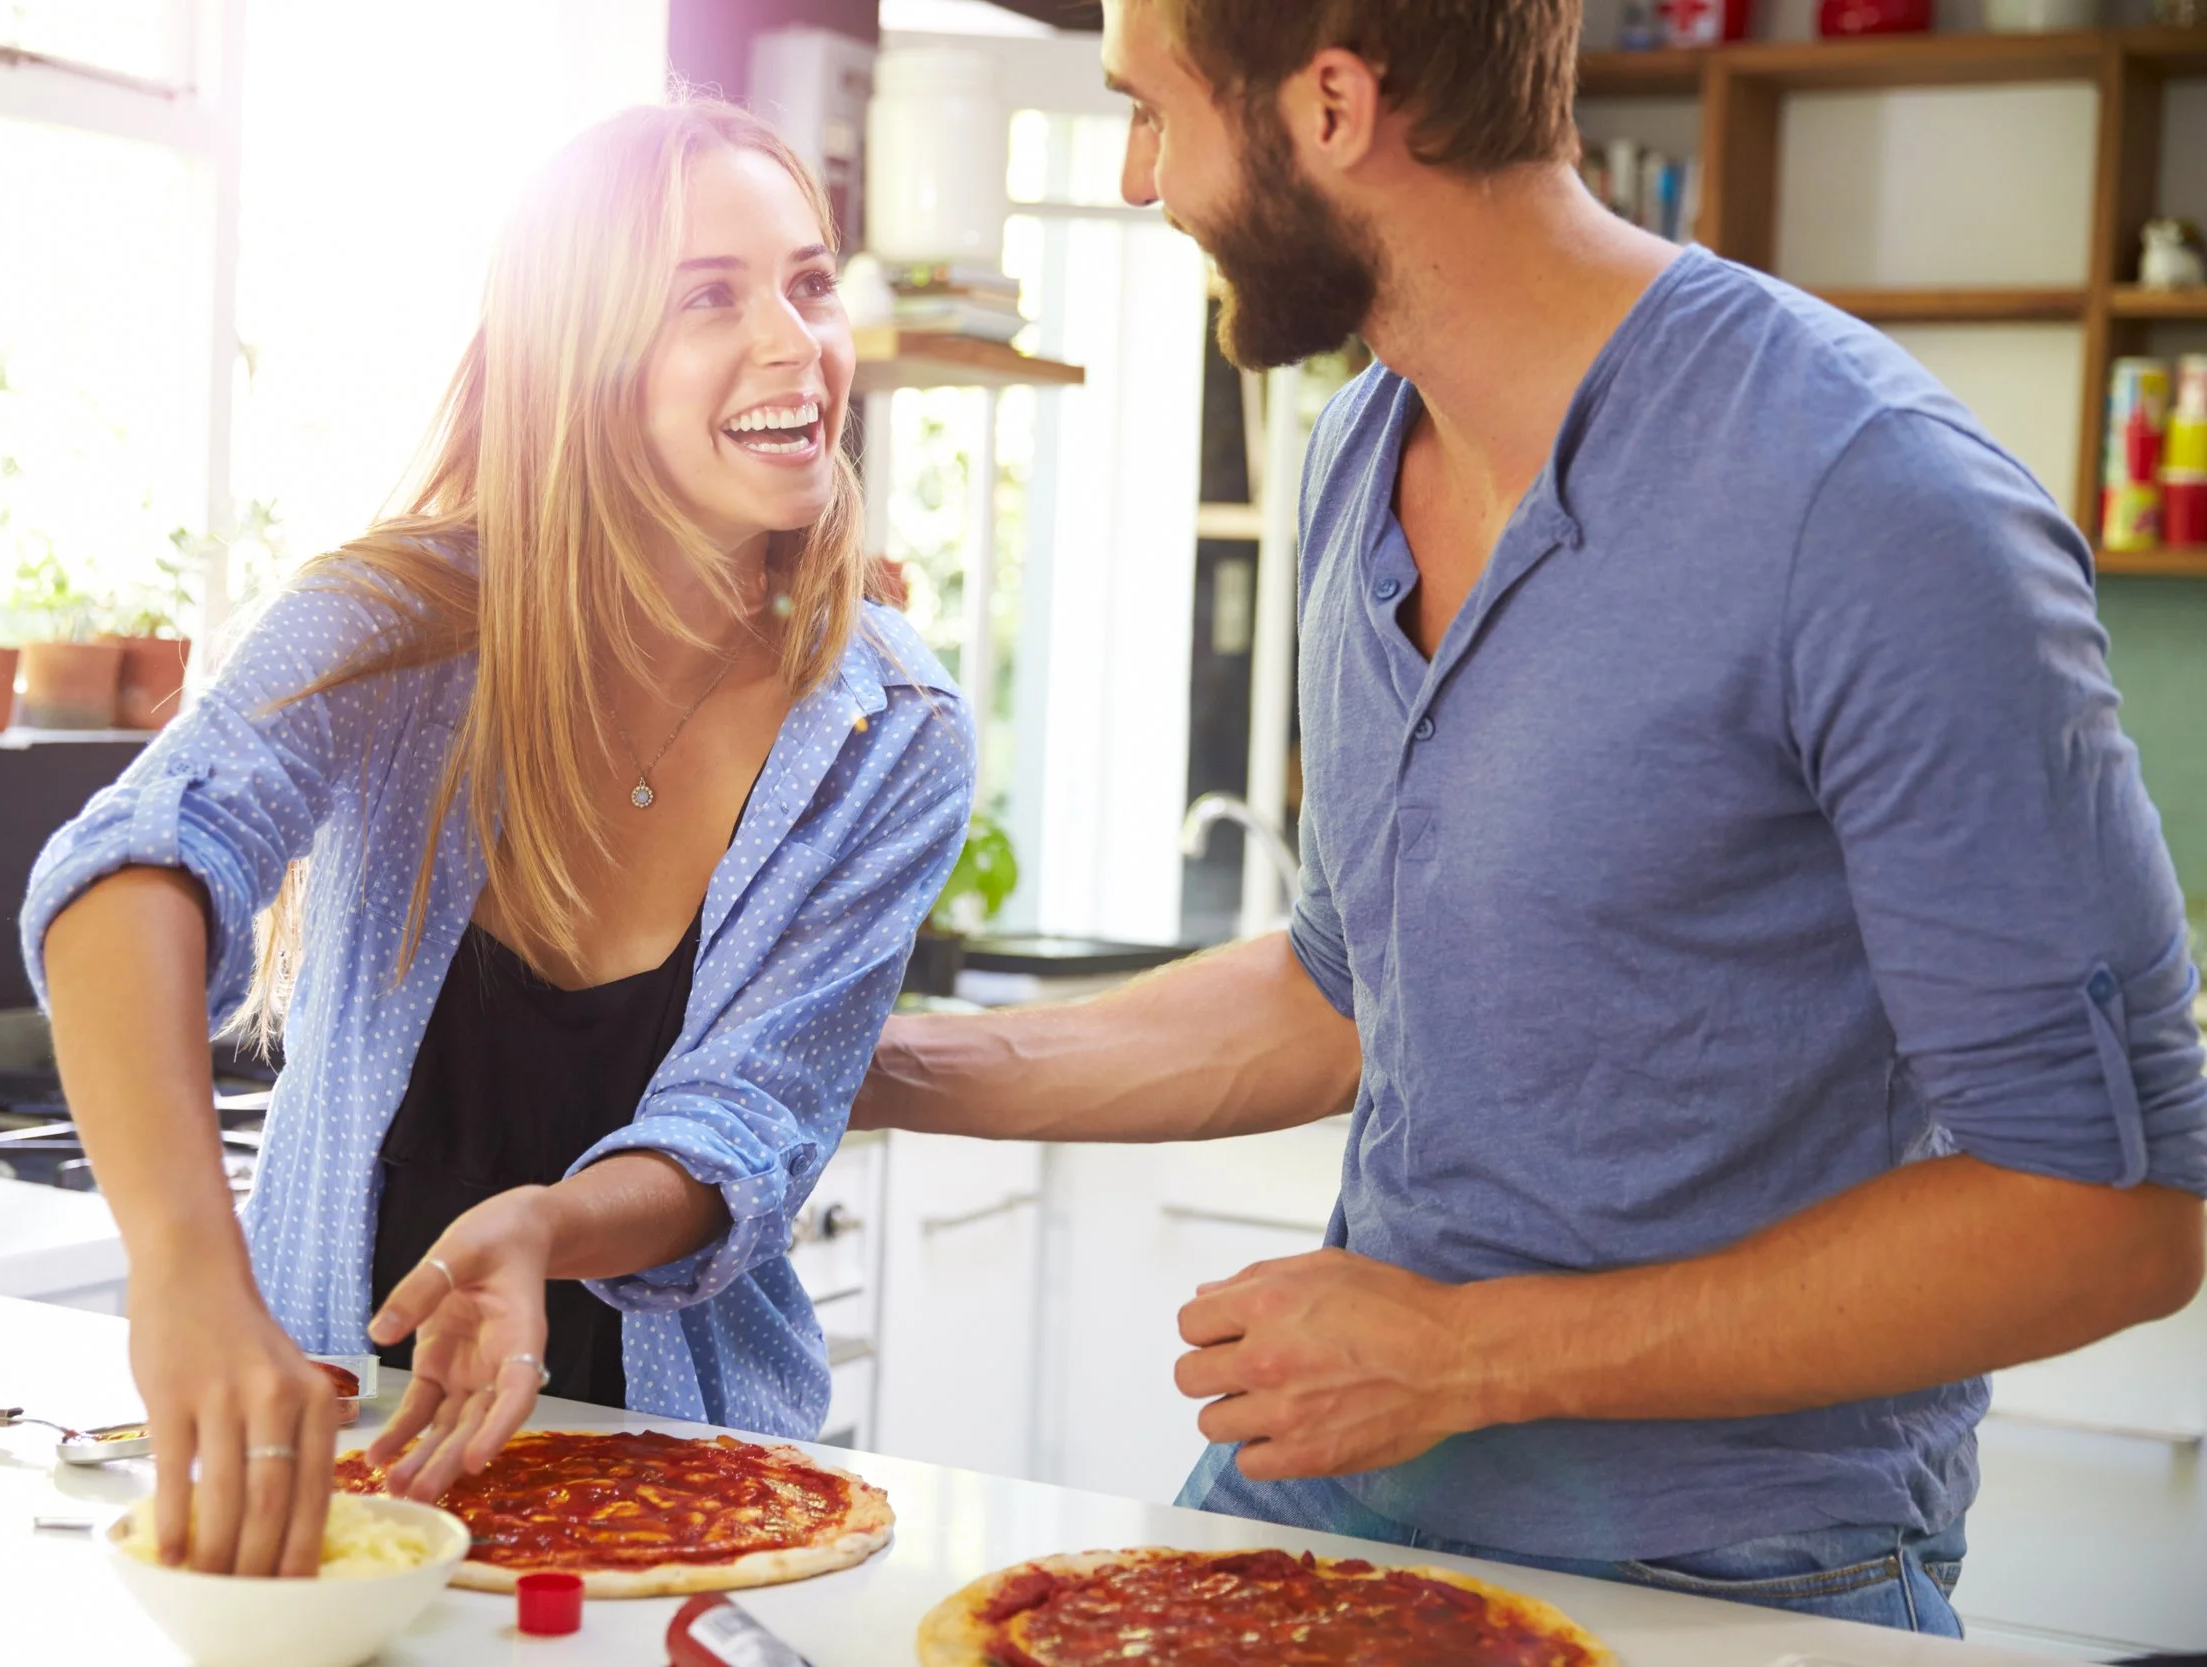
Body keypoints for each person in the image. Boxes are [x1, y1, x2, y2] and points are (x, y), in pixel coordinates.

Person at [854, 0, 2207, 1636]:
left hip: (1733, 1566)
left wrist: (1461, 1355)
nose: (1142, 182)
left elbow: (2113, 1221)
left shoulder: (1878, 507)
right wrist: (867, 1072)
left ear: (1334, 105)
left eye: (1153, 113)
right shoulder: (1363, 444)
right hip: (1332, 1494)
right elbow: (1338, 991)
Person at [23, 101, 970, 1579]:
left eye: (806, 280)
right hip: (334, 1473)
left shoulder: (889, 731)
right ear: (580, 359)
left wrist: (540, 1225)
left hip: (698, 1493)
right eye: (708, 298)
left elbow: (743, 1128)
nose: (797, 342)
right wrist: (186, 1274)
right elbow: (134, 864)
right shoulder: (391, 629)